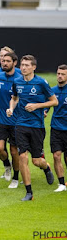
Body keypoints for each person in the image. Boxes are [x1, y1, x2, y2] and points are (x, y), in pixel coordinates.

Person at [6, 55, 57, 201]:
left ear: (34, 67)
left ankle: (46, 167)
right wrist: (11, 108)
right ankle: (29, 192)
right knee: (22, 156)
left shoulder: (41, 82)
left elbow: (54, 101)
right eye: (22, 65)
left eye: (27, 65)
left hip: (37, 126)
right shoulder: (17, 81)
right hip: (21, 124)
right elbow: (14, 98)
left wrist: (37, 106)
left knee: (36, 160)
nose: (23, 67)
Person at [0, 52, 22, 188]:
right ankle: (6, 165)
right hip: (1, 119)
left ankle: (15, 178)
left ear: (14, 63)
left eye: (7, 61)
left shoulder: (21, 77)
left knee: (15, 151)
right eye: (3, 61)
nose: (4, 63)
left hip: (16, 121)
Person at [50, 64, 67, 192]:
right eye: (58, 74)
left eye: (63, 74)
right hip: (56, 128)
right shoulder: (52, 91)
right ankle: (61, 184)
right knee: (56, 155)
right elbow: (47, 104)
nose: (60, 76)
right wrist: (44, 111)